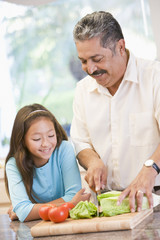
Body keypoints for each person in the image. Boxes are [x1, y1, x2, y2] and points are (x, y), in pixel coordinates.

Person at [70, 11, 160, 213]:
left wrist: (150, 168)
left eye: (97, 58)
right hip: (108, 203)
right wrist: (93, 161)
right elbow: (80, 142)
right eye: (83, 61)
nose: (90, 69)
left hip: (155, 198)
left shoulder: (155, 78)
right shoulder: (82, 91)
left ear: (120, 47)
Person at [5, 103, 90, 222]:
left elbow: (73, 196)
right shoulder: (13, 165)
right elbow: (24, 212)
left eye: (51, 135)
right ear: (22, 140)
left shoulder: (64, 149)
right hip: (37, 226)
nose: (46, 144)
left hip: (66, 221)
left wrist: (30, 210)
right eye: (37, 139)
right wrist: (69, 203)